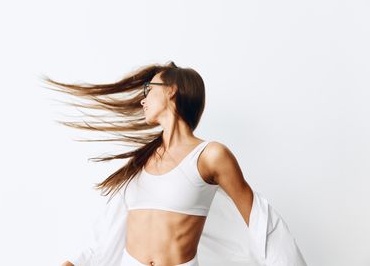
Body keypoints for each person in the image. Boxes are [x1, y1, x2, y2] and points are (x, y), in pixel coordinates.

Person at [42, 61, 307, 266]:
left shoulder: (210, 155)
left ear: (172, 90)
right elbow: (110, 227)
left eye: (149, 89)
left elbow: (261, 219)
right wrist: (75, 262)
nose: (142, 99)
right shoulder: (142, 160)